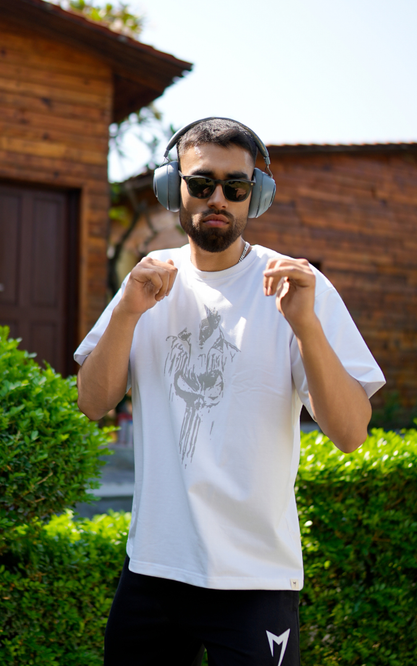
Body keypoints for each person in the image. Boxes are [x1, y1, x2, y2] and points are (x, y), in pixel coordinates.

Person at [75, 118, 385, 666]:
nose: (218, 198)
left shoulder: (295, 286)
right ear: (174, 188)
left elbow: (351, 432)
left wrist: (305, 326)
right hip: (153, 570)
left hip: (255, 578)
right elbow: (93, 402)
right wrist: (126, 310)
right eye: (201, 183)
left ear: (254, 197)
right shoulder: (146, 283)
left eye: (235, 187)